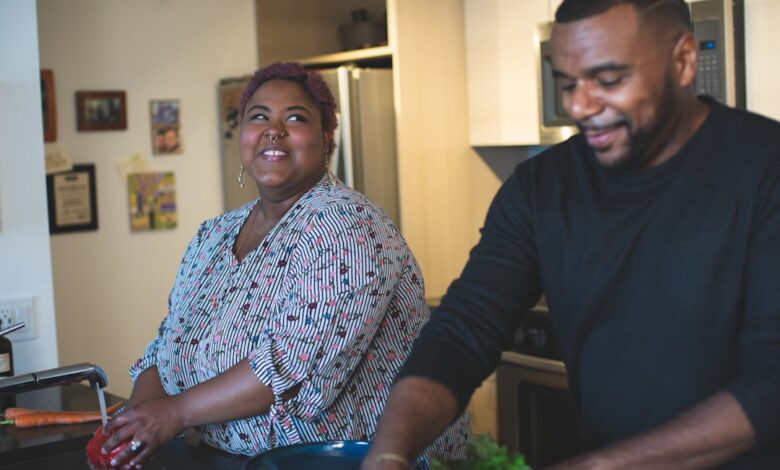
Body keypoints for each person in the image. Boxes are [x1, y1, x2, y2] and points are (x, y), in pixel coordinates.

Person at [363, 1, 780, 469]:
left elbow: (772, 385)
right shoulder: (541, 188)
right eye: (567, 83)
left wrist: (597, 466)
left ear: (683, 61)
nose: (578, 106)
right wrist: (389, 454)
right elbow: (463, 331)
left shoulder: (765, 169)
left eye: (608, 80)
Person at [97, 62, 469, 468]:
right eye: (259, 117)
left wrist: (173, 413)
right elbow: (169, 341)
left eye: (295, 117)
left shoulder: (347, 226)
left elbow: (291, 365)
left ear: (327, 138)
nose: (273, 129)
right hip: (231, 458)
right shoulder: (214, 235)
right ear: (243, 136)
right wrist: (140, 419)